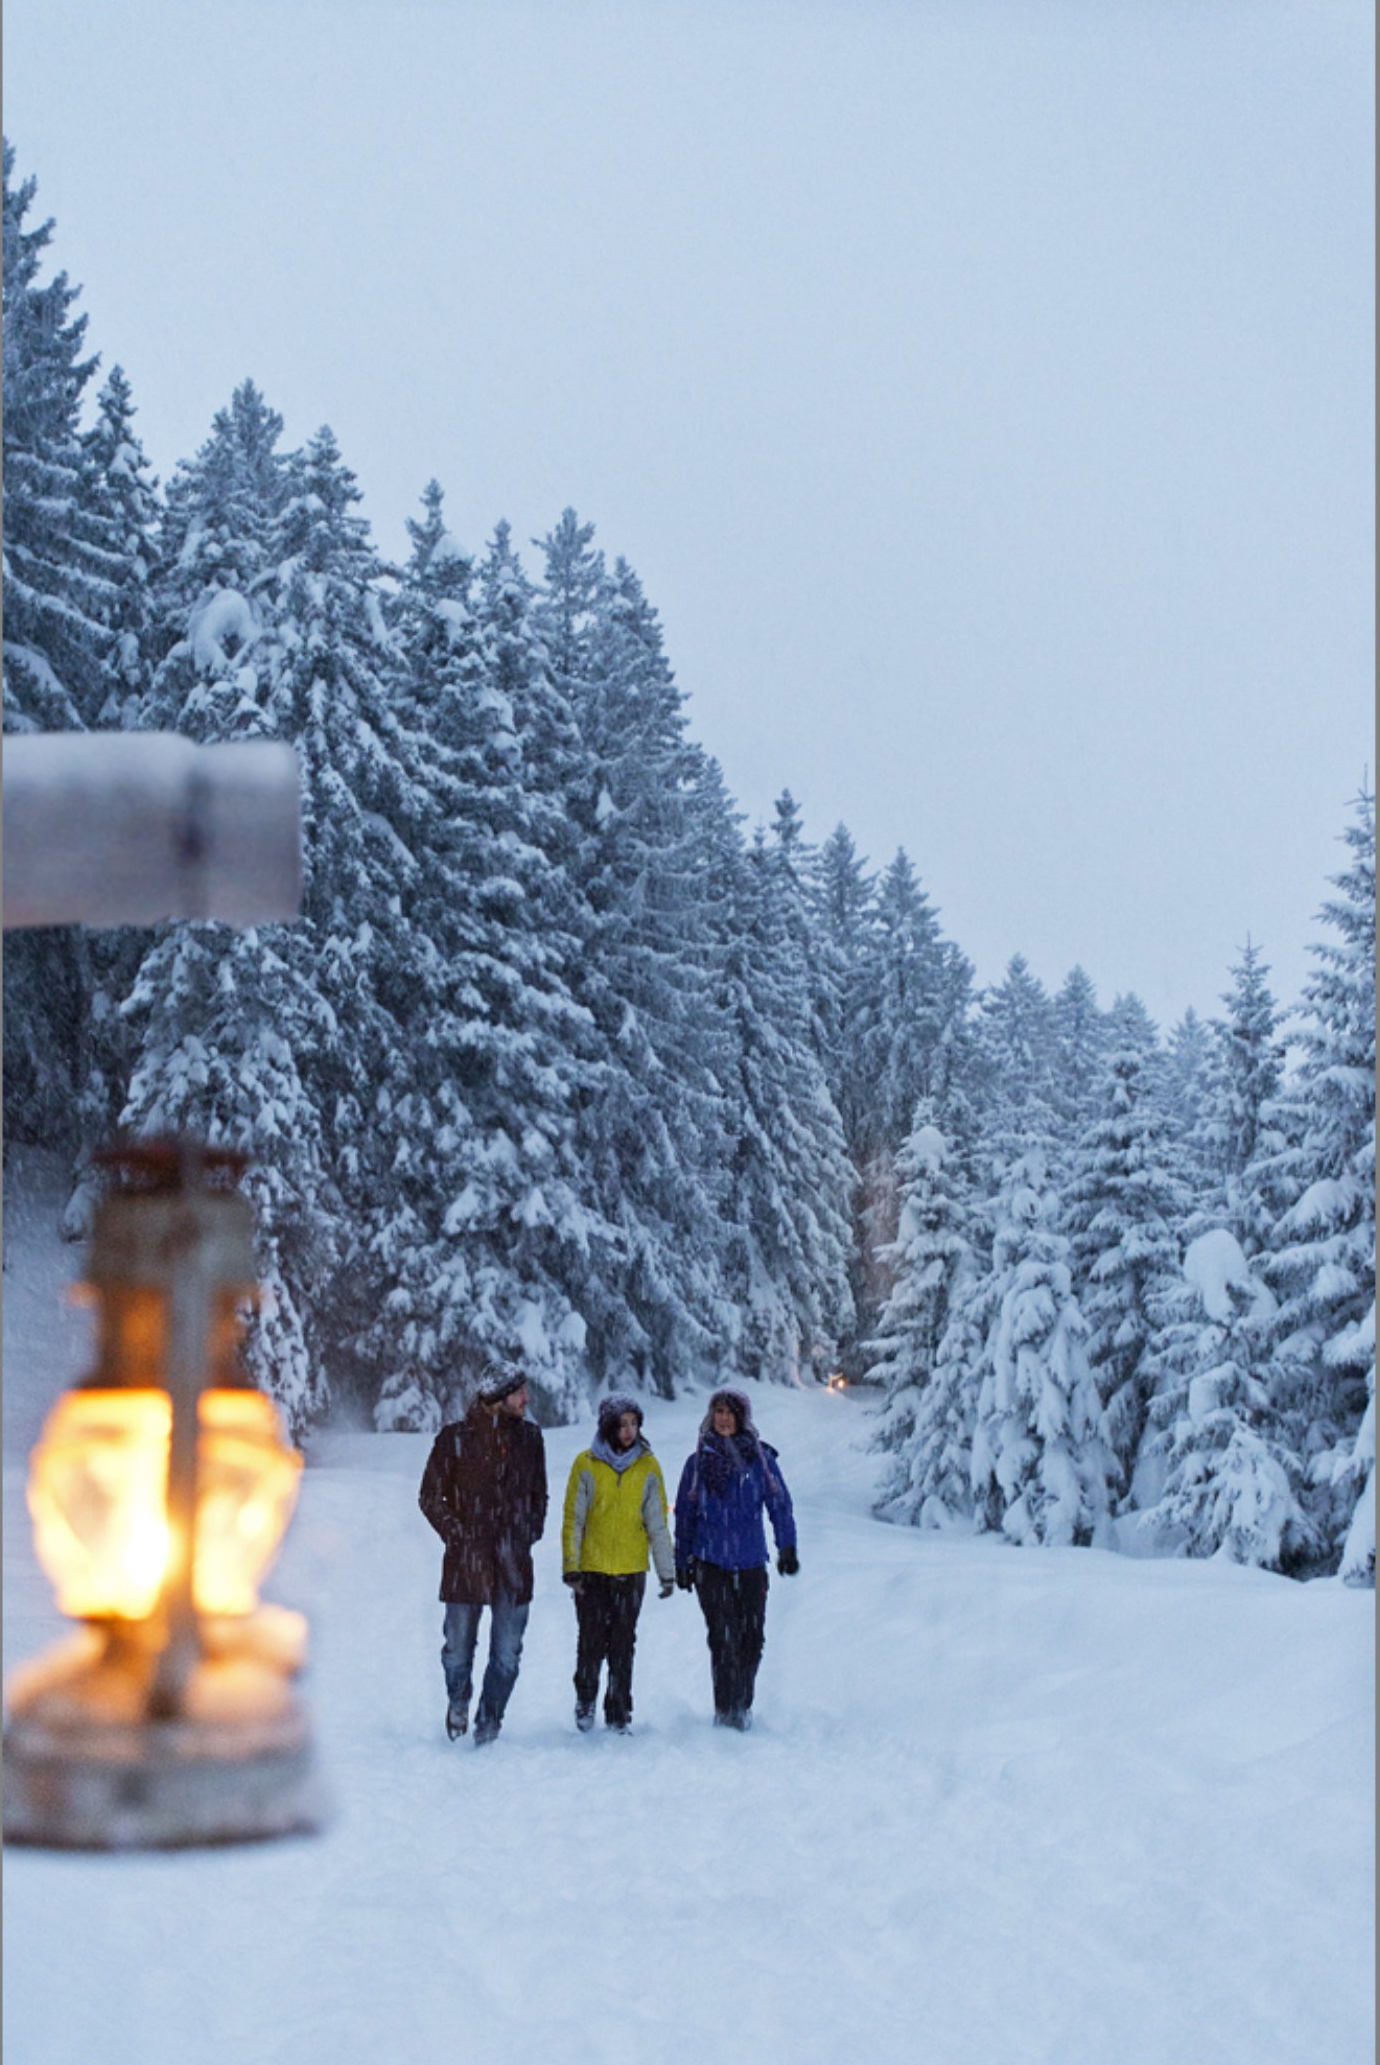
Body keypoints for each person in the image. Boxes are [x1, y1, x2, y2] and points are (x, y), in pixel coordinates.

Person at [418, 1361, 547, 1748]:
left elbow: (539, 1497)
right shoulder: (453, 1439)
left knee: (507, 1656)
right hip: (465, 1565)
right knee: (457, 1651)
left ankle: (490, 1719)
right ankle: (458, 1701)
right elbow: (430, 1496)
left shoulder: (531, 1439)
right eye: (519, 1391)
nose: (526, 1398)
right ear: (497, 1398)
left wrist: (527, 1533)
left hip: (513, 1565)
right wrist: (457, 1535)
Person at [674, 1388, 798, 1730]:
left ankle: (743, 1703)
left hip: (751, 1563)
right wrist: (681, 1560)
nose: (724, 1418)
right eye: (718, 1412)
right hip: (710, 1562)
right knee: (723, 1637)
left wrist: (787, 1547)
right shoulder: (697, 1463)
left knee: (752, 1639)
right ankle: (726, 1711)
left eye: (730, 1412)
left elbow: (780, 1505)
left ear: (741, 1417)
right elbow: (685, 1515)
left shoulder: (760, 1461)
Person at [562, 1394, 675, 1734]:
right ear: (608, 1426)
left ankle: (619, 1711)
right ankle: (585, 1699)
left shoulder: (648, 1467)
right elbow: (574, 1519)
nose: (628, 1431)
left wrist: (666, 1572)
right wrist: (571, 1566)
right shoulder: (586, 1464)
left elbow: (657, 1522)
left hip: (630, 1570)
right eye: (621, 1424)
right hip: (592, 1572)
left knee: (624, 1643)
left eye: (633, 1423)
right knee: (591, 1641)